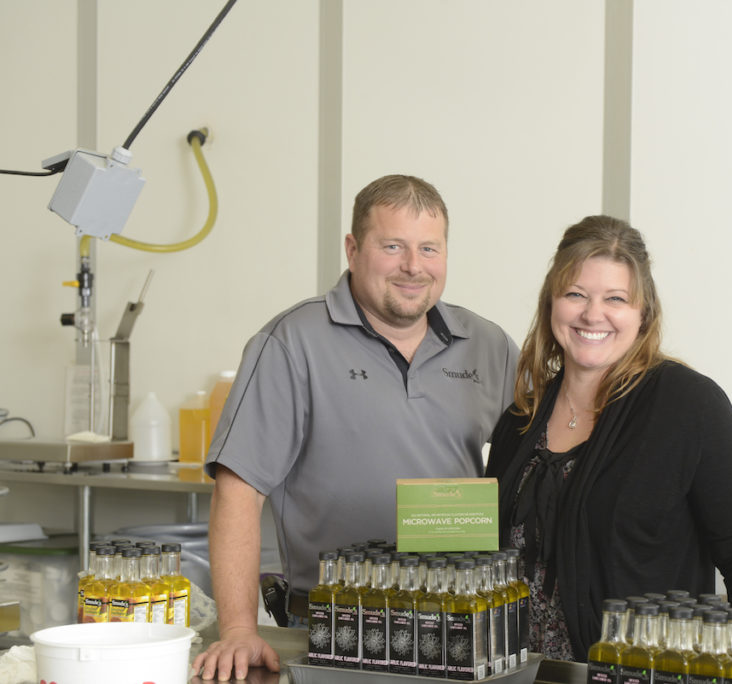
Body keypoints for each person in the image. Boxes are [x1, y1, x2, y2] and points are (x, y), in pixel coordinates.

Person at [192, 174, 518, 680]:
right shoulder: (291, 343)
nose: (413, 266)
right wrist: (237, 628)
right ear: (353, 248)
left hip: (460, 621)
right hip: (333, 625)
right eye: (393, 246)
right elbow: (239, 489)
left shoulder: (487, 344)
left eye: (429, 248)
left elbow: (539, 463)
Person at [484, 214, 732, 662]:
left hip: (640, 670)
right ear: (551, 304)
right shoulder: (519, 420)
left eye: (615, 298)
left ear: (643, 313)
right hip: (518, 672)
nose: (592, 314)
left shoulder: (689, 406)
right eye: (575, 294)